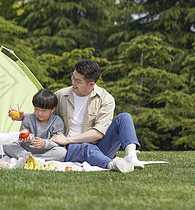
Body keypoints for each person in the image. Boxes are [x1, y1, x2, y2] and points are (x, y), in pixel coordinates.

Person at [11, 59, 144, 173]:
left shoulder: (106, 99)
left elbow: (99, 133)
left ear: (91, 84)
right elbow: (47, 112)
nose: (73, 82)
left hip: (97, 145)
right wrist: (24, 116)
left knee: (124, 117)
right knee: (85, 147)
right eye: (73, 77)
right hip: (71, 148)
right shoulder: (61, 95)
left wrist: (68, 139)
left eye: (78, 81)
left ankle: (131, 156)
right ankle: (112, 165)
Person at [3, 89, 67, 163]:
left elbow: (58, 141)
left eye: (43, 110)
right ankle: (31, 159)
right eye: (36, 109)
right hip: (27, 149)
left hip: (46, 151)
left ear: (53, 109)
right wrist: (27, 139)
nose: (39, 113)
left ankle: (30, 159)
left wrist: (45, 143)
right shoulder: (28, 118)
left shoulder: (57, 121)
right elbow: (22, 137)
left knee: (62, 152)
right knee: (7, 143)